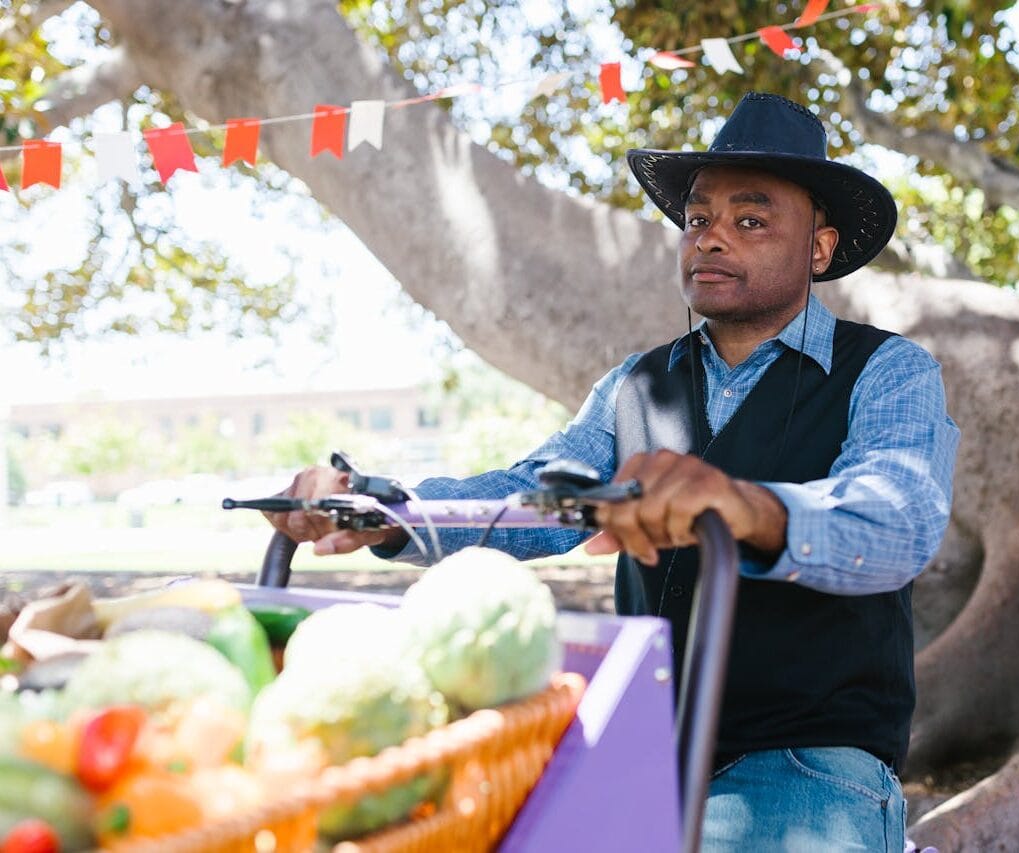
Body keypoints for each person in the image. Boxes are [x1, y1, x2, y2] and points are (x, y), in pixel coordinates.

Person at [268, 92, 959, 851]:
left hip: (806, 762)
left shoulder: (888, 371)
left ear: (819, 249)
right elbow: (532, 497)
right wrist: (378, 508)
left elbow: (899, 518)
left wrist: (745, 505)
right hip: (640, 738)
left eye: (751, 220)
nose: (711, 239)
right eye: (698, 219)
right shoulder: (637, 384)